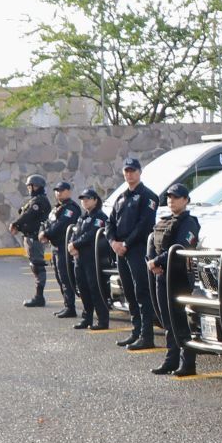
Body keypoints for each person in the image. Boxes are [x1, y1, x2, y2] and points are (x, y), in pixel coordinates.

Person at [147, 182, 202, 376]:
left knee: (181, 320)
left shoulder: (189, 223)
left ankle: (188, 363)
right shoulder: (164, 221)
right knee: (167, 320)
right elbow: (153, 243)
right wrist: (153, 262)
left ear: (186, 200)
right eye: (169, 197)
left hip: (179, 276)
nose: (171, 201)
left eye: (176, 197)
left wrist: (156, 261)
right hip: (162, 274)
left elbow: (179, 247)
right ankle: (171, 360)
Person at [106, 156, 159, 348]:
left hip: (137, 250)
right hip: (121, 251)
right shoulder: (121, 197)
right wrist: (113, 242)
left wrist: (126, 243)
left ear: (140, 172)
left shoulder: (148, 196)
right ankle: (136, 331)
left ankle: (147, 335)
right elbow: (109, 223)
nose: (129, 174)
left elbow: (144, 224)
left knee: (141, 292)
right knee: (128, 292)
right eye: (126, 171)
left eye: (132, 170)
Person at [67, 187, 110, 330]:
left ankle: (102, 320)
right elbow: (76, 233)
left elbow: (91, 235)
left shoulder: (100, 217)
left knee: (95, 288)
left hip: (93, 259)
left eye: (87, 198)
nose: (84, 201)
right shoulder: (82, 217)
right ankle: (87, 318)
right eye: (82, 199)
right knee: (83, 288)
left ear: (95, 200)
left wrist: (74, 244)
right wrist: (72, 245)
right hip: (80, 258)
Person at [8, 174, 52, 308]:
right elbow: (26, 215)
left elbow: (28, 215)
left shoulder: (40, 201)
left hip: (35, 237)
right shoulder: (35, 200)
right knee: (35, 265)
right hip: (30, 237)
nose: (29, 189)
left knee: (38, 265)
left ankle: (39, 297)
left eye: (30, 186)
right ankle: (39, 296)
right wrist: (19, 226)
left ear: (37, 186)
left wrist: (15, 224)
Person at [40, 181, 82, 319]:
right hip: (55, 246)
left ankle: (71, 307)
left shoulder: (71, 208)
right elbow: (47, 222)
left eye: (62, 190)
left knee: (66, 277)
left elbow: (61, 225)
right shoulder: (57, 208)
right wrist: (43, 232)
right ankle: (67, 305)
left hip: (65, 247)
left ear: (68, 191)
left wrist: (46, 234)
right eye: (57, 190)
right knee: (59, 277)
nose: (58, 192)